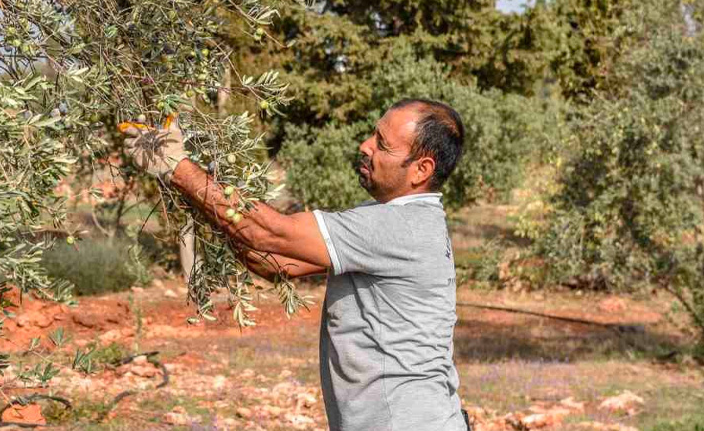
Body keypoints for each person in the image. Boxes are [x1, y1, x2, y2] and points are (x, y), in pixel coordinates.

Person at [122, 99, 470, 431]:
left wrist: (177, 167)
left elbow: (272, 235)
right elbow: (274, 263)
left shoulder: (399, 227)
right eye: (372, 134)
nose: (365, 145)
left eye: (382, 144)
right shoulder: (392, 219)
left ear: (421, 170)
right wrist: (199, 191)